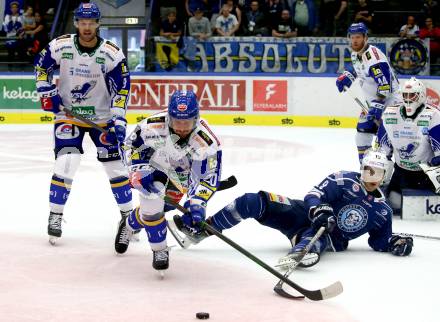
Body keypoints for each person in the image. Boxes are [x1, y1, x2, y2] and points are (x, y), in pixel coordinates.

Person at [173, 150, 413, 269]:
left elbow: (379, 241)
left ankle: (299, 254)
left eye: (377, 172)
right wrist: (319, 210)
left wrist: (394, 243)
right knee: (252, 201)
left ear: (385, 175)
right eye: (367, 169)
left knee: (312, 241)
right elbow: (314, 194)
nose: (370, 176)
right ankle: (205, 230)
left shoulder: (382, 211)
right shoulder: (344, 179)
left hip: (328, 238)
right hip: (301, 213)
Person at [34, 2, 133, 245]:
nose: (87, 27)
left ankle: (130, 219)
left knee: (116, 169)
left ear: (98, 23)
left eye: (91, 23)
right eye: (82, 22)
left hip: (102, 119)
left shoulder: (111, 52)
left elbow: (122, 88)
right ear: (76, 22)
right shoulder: (61, 45)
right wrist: (46, 92)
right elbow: (41, 67)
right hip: (68, 116)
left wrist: (118, 119)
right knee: (67, 161)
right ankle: (55, 215)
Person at [114, 90, 222, 272]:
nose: (181, 127)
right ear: (169, 117)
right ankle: (160, 249)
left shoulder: (207, 141)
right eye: (176, 122)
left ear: (196, 119)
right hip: (153, 167)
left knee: (164, 209)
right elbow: (129, 146)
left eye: (186, 123)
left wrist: (197, 204)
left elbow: (208, 177)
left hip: (181, 176)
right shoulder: (151, 125)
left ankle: (129, 224)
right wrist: (138, 170)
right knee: (152, 208)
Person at [336, 22, 401, 163]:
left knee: (384, 143)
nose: (354, 40)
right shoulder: (355, 54)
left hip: (391, 103)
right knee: (362, 133)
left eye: (358, 37)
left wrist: (378, 105)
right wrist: (347, 77)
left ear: (366, 38)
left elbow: (385, 86)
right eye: (352, 37)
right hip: (373, 103)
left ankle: (382, 173)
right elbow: (358, 68)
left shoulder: (374, 57)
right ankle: (365, 167)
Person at [376, 77, 440, 211]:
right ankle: (381, 191)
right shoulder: (389, 115)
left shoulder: (433, 116)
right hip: (401, 173)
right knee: (394, 205)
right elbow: (383, 151)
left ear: (421, 95)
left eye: (412, 95)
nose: (408, 99)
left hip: (425, 174)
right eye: (405, 95)